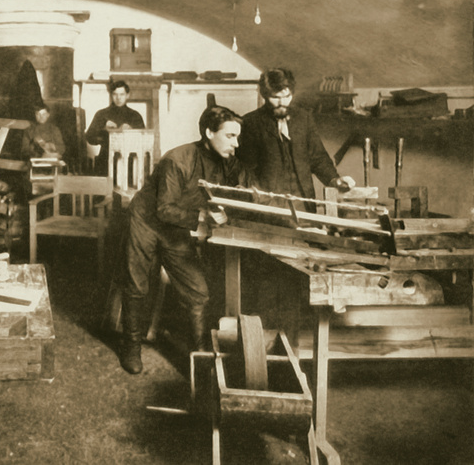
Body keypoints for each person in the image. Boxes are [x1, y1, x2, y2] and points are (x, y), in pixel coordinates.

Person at [119, 105, 252, 374]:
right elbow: (164, 210)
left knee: (198, 292)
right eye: (230, 136)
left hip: (176, 226)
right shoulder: (178, 159)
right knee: (138, 285)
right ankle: (131, 347)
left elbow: (238, 188)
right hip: (146, 222)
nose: (236, 144)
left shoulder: (227, 160)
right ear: (209, 132)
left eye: (237, 137)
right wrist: (204, 216)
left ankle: (199, 353)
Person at [237, 68, 355, 210]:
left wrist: (334, 179)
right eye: (275, 98)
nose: (282, 103)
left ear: (292, 93)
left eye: (287, 96)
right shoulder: (250, 123)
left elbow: (318, 157)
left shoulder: (304, 118)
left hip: (303, 202)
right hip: (269, 206)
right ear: (265, 95)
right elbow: (246, 169)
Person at [85, 80, 145, 175]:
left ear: (127, 95)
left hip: (129, 161)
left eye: (122, 94)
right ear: (111, 95)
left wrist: (132, 131)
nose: (118, 98)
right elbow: (89, 138)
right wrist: (104, 129)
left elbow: (144, 141)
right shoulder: (101, 114)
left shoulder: (135, 115)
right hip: (106, 160)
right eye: (115, 94)